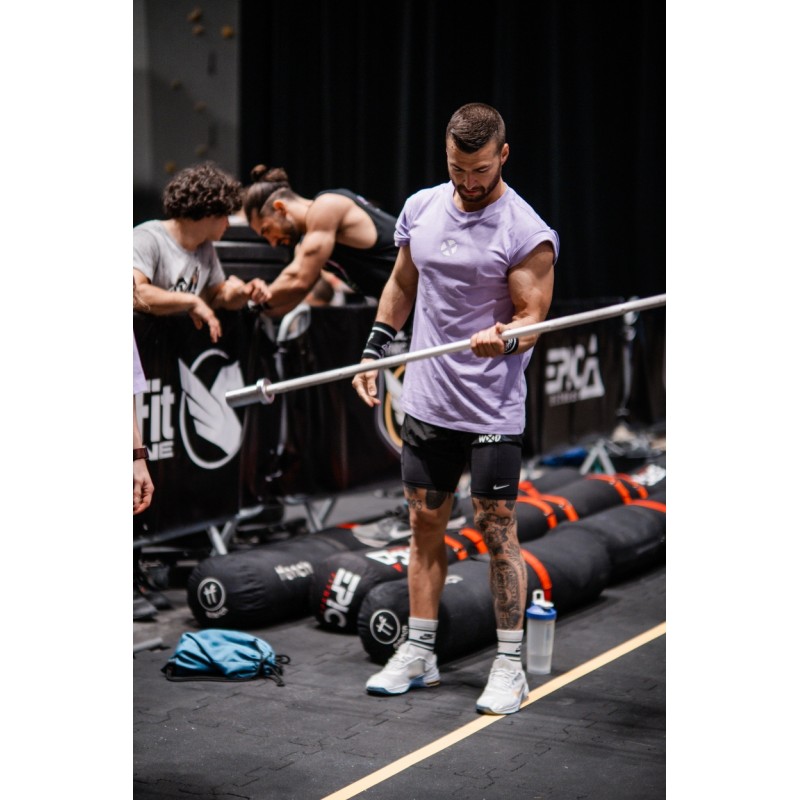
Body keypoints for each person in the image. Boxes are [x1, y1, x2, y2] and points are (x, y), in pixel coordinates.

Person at [352, 103, 559, 715]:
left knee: (496, 529)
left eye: (480, 171)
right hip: (428, 398)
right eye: (457, 169)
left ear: (503, 155)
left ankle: (509, 666)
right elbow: (402, 283)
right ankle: (420, 651)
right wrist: (374, 349)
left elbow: (532, 318)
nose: (468, 182)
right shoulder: (421, 207)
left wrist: (508, 337)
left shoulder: (525, 230)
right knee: (424, 525)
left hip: (490, 406)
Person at [133, 162, 272, 342]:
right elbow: (134, 294)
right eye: (225, 215)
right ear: (209, 212)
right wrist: (190, 301)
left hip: (171, 348)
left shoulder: (204, 247)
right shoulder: (147, 238)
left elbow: (216, 296)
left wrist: (244, 292)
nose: (228, 224)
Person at [242, 165, 398, 317]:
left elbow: (298, 279)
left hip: (412, 286)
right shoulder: (306, 244)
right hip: (401, 304)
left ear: (280, 209)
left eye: (266, 230)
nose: (273, 243)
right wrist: (255, 300)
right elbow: (293, 295)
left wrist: (254, 300)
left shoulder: (326, 206)